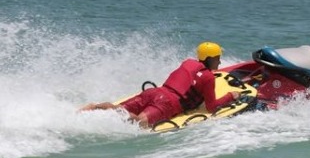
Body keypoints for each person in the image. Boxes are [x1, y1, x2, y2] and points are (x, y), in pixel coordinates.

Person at [80, 42, 241, 128]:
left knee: (120, 112)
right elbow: (212, 107)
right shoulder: (208, 78)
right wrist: (230, 96)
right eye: (218, 57)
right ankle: (109, 106)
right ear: (210, 58)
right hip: (168, 102)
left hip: (153, 92)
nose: (220, 61)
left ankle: (92, 107)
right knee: (139, 123)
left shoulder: (188, 63)